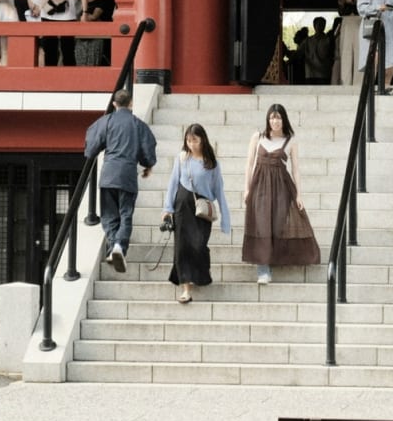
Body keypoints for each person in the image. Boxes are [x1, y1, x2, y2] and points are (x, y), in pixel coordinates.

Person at [242, 103, 320, 284]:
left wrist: (299, 195)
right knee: (261, 226)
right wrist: (246, 189)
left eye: (278, 118)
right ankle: (263, 270)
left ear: (284, 119)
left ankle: (274, 257)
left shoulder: (290, 140)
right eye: (272, 117)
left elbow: (296, 169)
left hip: (282, 189)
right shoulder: (258, 137)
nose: (275, 121)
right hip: (259, 188)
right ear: (267, 119)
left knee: (277, 226)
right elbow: (249, 164)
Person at [83, 89, 157, 273]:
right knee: (126, 214)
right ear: (131, 103)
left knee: (109, 215)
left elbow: (91, 148)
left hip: (108, 175)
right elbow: (148, 149)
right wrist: (147, 165)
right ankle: (119, 246)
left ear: (114, 104)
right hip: (127, 175)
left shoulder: (106, 121)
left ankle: (113, 247)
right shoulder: (138, 125)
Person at [161, 123, 231, 304]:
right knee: (182, 246)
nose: (191, 144)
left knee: (199, 245)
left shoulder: (212, 163)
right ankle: (186, 289)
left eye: (195, 140)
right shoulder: (182, 158)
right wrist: (167, 209)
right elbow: (173, 183)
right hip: (182, 206)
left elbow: (219, 190)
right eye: (188, 140)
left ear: (202, 140)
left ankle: (199, 275)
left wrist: (226, 218)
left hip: (202, 209)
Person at [333, 0, 361, 84]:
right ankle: (345, 82)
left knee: (359, 52)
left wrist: (352, 0)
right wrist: (341, 3)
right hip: (346, 21)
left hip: (359, 21)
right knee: (345, 52)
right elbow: (340, 12)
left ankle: (358, 83)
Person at [300, 15, 334, 85]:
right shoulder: (307, 41)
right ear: (314, 26)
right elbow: (299, 52)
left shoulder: (328, 40)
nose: (321, 27)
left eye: (323, 25)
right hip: (310, 74)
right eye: (319, 24)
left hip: (323, 74)